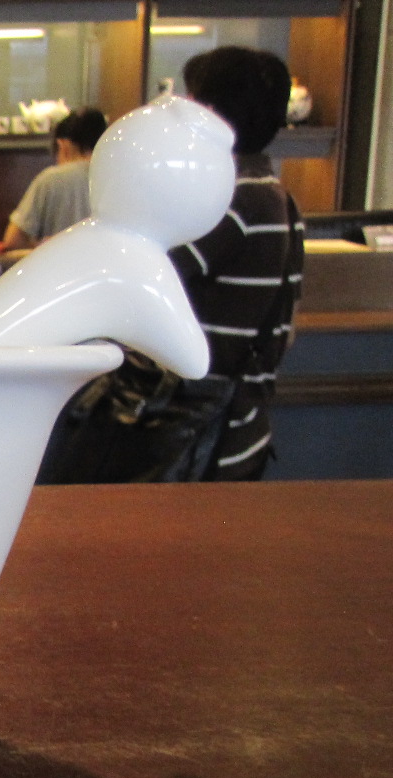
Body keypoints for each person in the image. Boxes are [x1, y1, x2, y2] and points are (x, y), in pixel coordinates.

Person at [172, 46, 304, 480]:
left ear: (211, 113)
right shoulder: (276, 196)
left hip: (200, 440)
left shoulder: (231, 203)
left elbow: (143, 278)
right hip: (241, 432)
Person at [2, 107, 107, 250]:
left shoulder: (51, 180)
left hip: (60, 263)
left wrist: (42, 245)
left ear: (63, 145)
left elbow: (13, 241)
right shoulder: (117, 178)